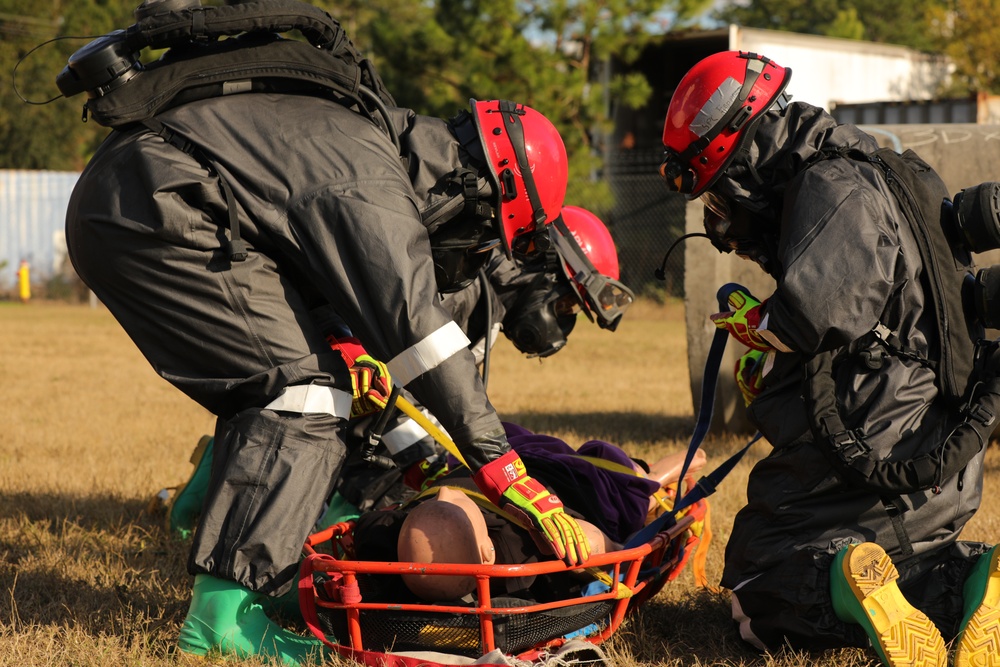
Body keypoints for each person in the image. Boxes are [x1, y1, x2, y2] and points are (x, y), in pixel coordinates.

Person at [61, 3, 592, 663]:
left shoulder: (371, 149)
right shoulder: (373, 175)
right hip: (158, 210)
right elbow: (416, 327)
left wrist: (424, 449)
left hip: (150, 198)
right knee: (303, 395)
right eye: (485, 236)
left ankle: (258, 579)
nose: (476, 253)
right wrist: (505, 469)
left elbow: (346, 321)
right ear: (477, 189)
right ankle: (222, 623)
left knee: (307, 384)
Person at [658, 50, 1000, 667]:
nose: (723, 224)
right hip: (938, 468)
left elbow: (818, 314)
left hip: (871, 457)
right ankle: (972, 583)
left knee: (755, 583)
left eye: (719, 200)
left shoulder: (829, 183)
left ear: (742, 164)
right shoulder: (888, 168)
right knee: (908, 564)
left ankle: (844, 577)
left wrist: (756, 324)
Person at [349, 422, 708, 603]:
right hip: (530, 466)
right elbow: (615, 549)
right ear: (486, 556)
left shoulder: (382, 533)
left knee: (634, 489)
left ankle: (664, 470)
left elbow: (613, 547)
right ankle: (673, 467)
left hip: (538, 469)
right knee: (633, 484)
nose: (445, 494)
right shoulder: (512, 554)